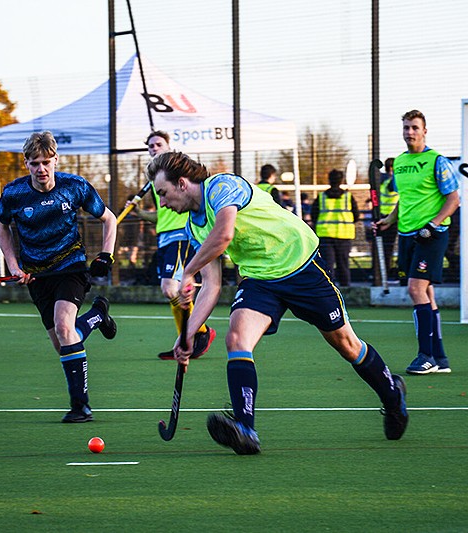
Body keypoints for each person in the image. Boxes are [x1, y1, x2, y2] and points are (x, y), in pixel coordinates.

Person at [146, 151, 408, 455]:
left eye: (163, 193)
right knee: (236, 337)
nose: (162, 203)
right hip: (260, 279)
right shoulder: (195, 226)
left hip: (301, 265)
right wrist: (188, 333)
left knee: (346, 344)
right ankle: (246, 429)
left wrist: (188, 270)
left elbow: (225, 234)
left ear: (181, 183)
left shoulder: (222, 186)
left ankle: (392, 395)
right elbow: (213, 285)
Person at [0, 131, 118, 423]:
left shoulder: (73, 186)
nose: (41, 169)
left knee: (65, 328)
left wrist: (106, 254)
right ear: (25, 163)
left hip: (70, 267)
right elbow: (2, 228)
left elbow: (109, 218)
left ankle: (81, 407)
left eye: (46, 162)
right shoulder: (14, 194)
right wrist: (13, 265)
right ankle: (97, 316)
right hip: (36, 275)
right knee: (62, 342)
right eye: (34, 163)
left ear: (55, 160)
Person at [375, 110, 459, 375]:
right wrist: (388, 220)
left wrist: (433, 225)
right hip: (407, 234)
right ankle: (440, 358)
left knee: (416, 289)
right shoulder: (399, 163)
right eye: (406, 128)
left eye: (414, 128)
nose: (409, 132)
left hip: (431, 234)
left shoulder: (437, 161)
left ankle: (425, 356)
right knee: (427, 293)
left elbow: (453, 199)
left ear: (424, 131)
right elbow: (406, 199)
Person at [124, 130, 216, 360]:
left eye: (158, 144)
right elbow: (160, 216)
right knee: (170, 291)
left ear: (168, 147)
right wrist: (139, 212)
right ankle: (189, 338)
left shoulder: (178, 177)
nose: (153, 148)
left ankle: (197, 334)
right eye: (150, 146)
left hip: (181, 235)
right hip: (164, 237)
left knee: (169, 288)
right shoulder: (158, 184)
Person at [310, 169, 359, 287]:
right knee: (344, 265)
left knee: (327, 265)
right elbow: (356, 216)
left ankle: (327, 290)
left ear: (329, 180)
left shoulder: (321, 197)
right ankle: (346, 289)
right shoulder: (348, 197)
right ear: (341, 180)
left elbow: (314, 215)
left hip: (325, 235)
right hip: (344, 235)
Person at [377, 157, 399, 278]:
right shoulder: (390, 181)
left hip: (388, 216)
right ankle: (386, 273)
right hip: (389, 218)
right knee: (387, 248)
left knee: (387, 248)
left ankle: (386, 272)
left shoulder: (382, 181)